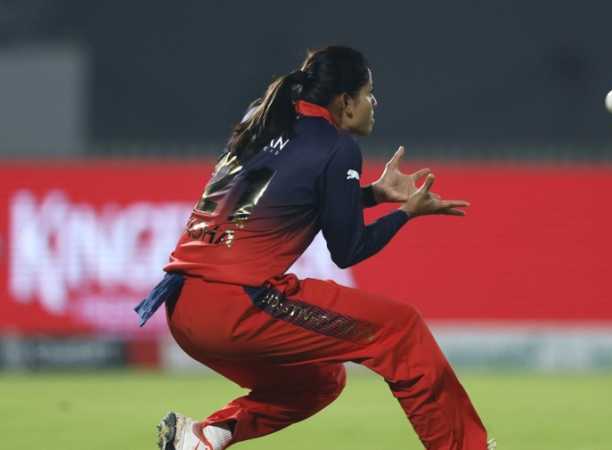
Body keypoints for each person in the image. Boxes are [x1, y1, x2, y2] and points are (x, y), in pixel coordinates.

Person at [135, 45, 494, 450]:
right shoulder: (337, 147)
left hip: (182, 307)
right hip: (237, 304)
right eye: (368, 94)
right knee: (401, 330)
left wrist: (373, 195)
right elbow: (349, 249)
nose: (373, 104)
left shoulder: (264, 122)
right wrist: (406, 212)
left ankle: (209, 435)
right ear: (345, 101)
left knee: (320, 380)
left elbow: (297, 196)